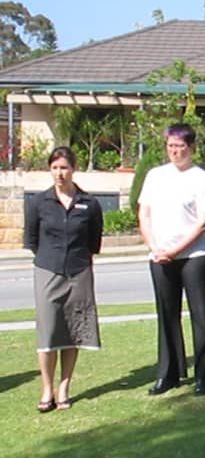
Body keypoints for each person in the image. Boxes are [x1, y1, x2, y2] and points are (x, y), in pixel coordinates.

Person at [138, 124, 205, 396]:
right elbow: (144, 213)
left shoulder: (201, 178)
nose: (175, 152)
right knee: (167, 315)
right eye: (171, 146)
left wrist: (175, 250)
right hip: (160, 256)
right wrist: (155, 247)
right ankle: (169, 373)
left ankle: (204, 375)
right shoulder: (155, 176)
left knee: (201, 314)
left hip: (194, 256)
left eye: (180, 147)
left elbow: (203, 222)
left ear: (191, 148)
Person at [24, 146, 103, 412]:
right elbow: (32, 240)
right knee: (48, 332)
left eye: (64, 167)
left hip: (79, 271)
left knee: (74, 331)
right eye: (55, 168)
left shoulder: (89, 204)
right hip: (48, 269)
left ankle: (64, 388)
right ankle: (46, 389)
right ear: (50, 170)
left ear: (73, 169)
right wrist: (52, 258)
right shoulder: (39, 203)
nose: (60, 173)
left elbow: (93, 242)